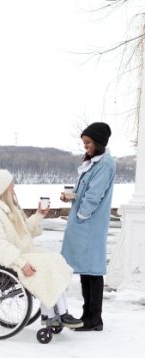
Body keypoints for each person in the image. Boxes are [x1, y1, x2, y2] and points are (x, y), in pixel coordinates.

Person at [0, 169, 82, 328]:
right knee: (45, 264)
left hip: (23, 254)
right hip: (8, 260)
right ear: (2, 188)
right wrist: (21, 263)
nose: (13, 187)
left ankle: (52, 314)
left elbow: (26, 232)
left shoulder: (10, 209)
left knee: (54, 259)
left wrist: (39, 214)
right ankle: (58, 313)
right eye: (10, 184)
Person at [61, 122, 116, 331]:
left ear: (99, 142)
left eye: (88, 143)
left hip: (89, 224)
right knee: (86, 270)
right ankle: (88, 315)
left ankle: (94, 319)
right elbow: (86, 192)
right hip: (85, 223)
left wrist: (81, 214)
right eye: (84, 143)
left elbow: (94, 196)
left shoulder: (104, 165)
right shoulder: (94, 163)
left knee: (92, 270)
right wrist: (72, 197)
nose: (85, 146)